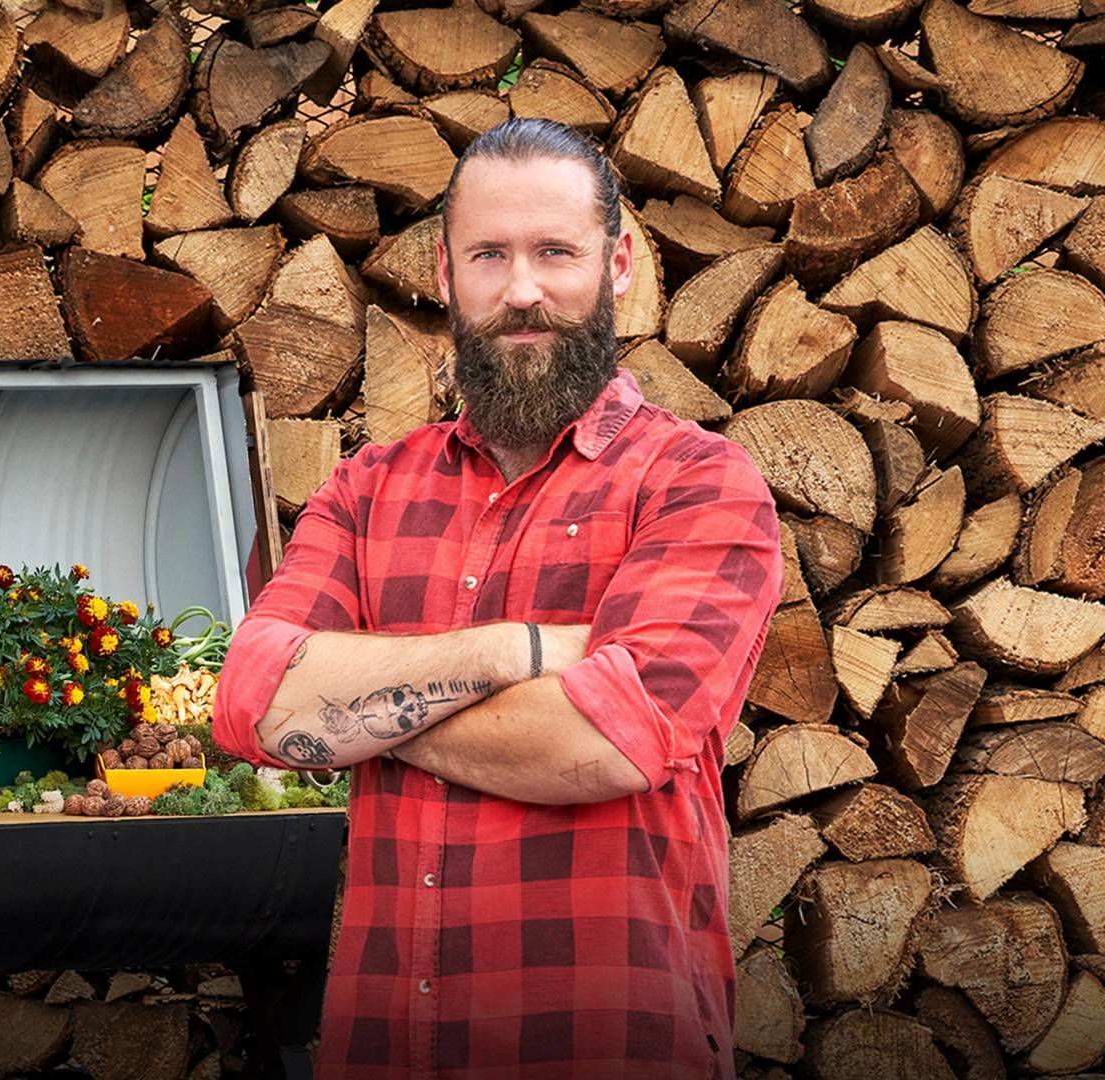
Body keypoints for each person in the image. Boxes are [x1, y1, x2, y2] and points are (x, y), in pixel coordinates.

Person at [212, 118, 782, 1079]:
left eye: (555, 252)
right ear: (445, 273)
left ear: (621, 262)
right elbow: (252, 699)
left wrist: (361, 700)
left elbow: (605, 741)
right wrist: (509, 654)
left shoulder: (699, 487)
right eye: (490, 255)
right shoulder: (367, 488)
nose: (522, 290)